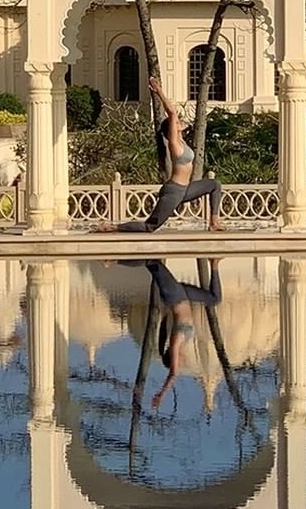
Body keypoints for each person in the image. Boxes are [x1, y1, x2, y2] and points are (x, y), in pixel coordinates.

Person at [94, 76, 224, 232]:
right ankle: (111, 227)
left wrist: (179, 124)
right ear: (171, 130)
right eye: (176, 123)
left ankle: (214, 223)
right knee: (150, 226)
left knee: (214, 185)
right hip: (174, 191)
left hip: (185, 189)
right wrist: (159, 91)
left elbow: (176, 119)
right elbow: (172, 112)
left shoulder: (182, 142)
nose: (179, 122)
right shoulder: (174, 144)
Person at [145, 257, 222, 409]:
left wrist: (162, 394)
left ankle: (116, 259)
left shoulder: (175, 344)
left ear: (171, 356)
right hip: (184, 296)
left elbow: (173, 373)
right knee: (214, 299)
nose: (181, 363)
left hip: (174, 296)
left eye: (177, 362)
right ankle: (214, 263)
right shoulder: (184, 342)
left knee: (152, 263)